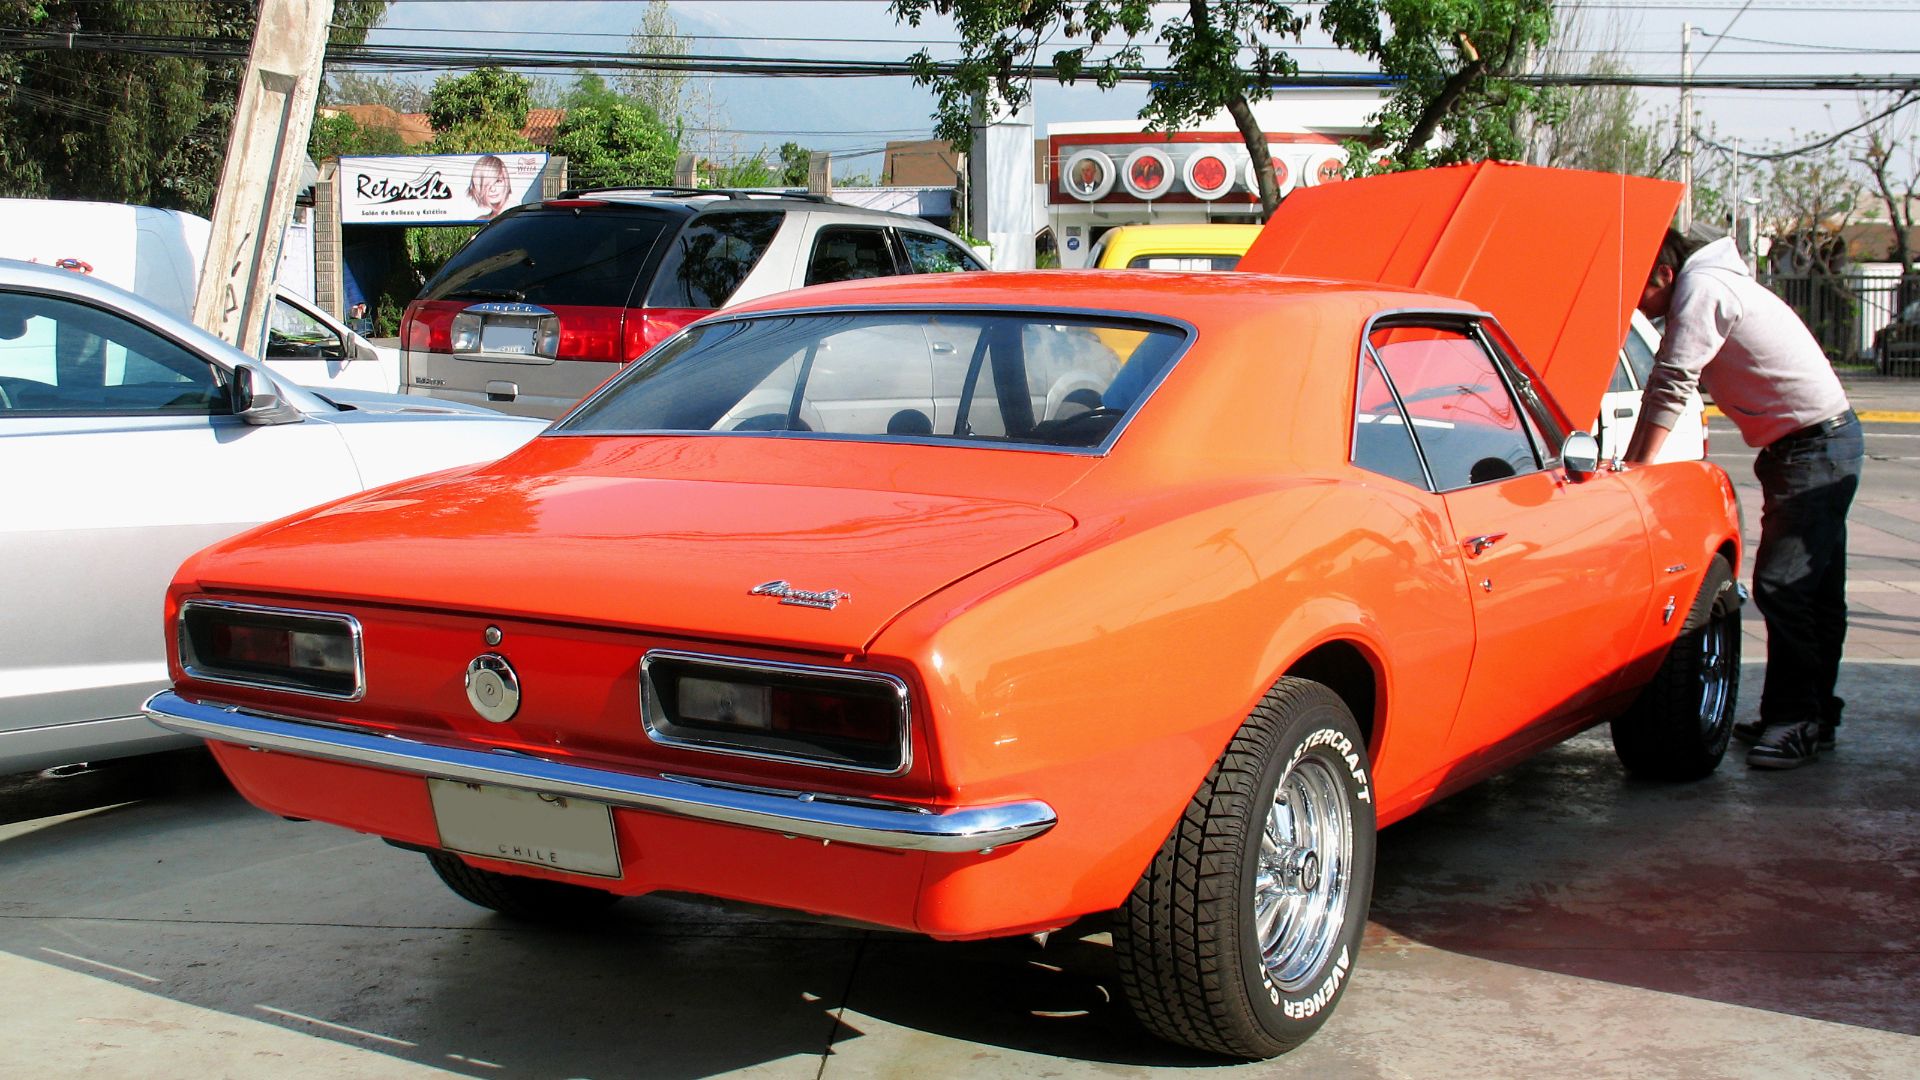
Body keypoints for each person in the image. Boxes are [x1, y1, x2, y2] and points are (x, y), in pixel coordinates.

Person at [1626, 228, 1863, 770]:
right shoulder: (1715, 282)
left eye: (1641, 294)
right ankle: (1812, 713)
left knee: (1785, 588)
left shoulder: (1702, 288)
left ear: (1665, 274)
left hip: (1813, 448)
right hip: (1816, 443)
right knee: (1817, 590)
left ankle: (1796, 721)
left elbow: (1671, 379)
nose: (1641, 309)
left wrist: (1639, 467)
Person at [467, 154, 512, 219]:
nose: (493, 189)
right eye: (486, 184)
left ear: (506, 182)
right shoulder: (482, 220)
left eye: (498, 181)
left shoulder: (516, 213)